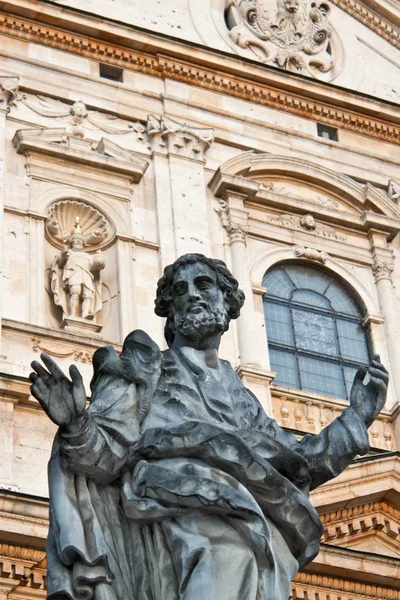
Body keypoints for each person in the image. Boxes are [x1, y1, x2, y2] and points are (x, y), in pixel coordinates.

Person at [30, 253, 388, 600]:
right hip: (171, 502)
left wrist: (356, 418)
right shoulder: (142, 370)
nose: (193, 294)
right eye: (181, 291)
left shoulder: (241, 398)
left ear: (227, 302)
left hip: (245, 506)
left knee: (256, 551)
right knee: (230, 554)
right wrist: (76, 421)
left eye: (204, 284)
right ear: (170, 313)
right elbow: (105, 456)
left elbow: (296, 462)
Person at [51, 218, 105, 320]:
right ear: (72, 242)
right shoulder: (70, 253)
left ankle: (85, 314)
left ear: (83, 243)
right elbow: (60, 263)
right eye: (76, 240)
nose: (78, 242)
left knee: (87, 295)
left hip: (87, 276)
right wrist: (63, 253)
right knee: (75, 292)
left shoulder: (88, 256)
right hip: (74, 275)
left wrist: (99, 265)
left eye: (80, 240)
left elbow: (94, 269)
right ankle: (73, 314)